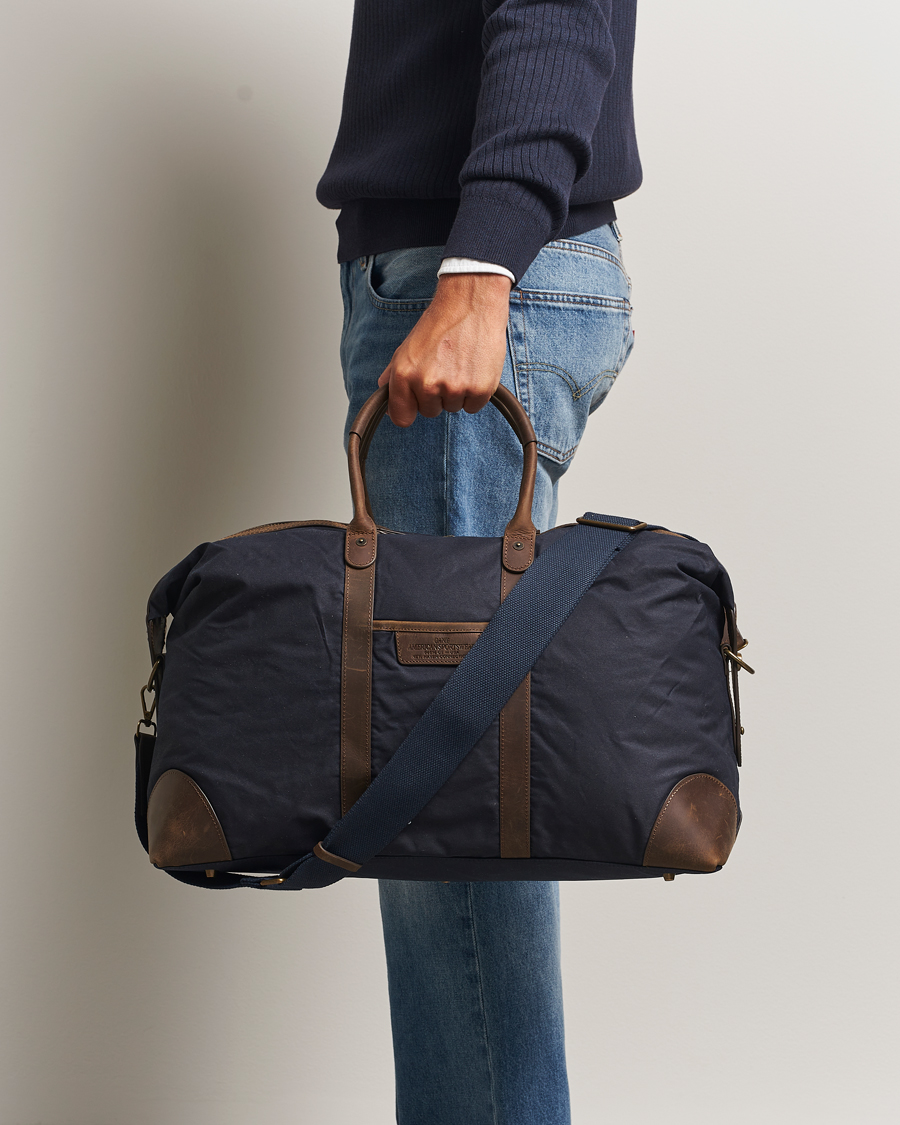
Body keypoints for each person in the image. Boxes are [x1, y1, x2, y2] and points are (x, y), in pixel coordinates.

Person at [317, 3, 641, 1121]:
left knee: (449, 800)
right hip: (451, 268)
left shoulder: (476, 271)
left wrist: (481, 263)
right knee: (446, 792)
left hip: (476, 275)